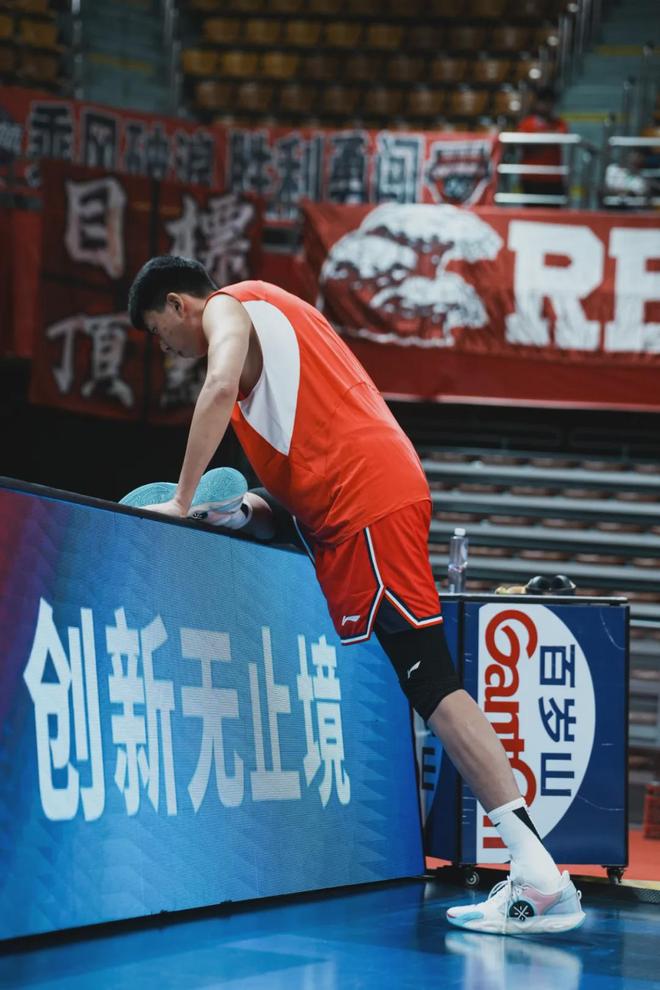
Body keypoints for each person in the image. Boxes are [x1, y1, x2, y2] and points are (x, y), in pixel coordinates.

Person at [127, 256, 585, 935]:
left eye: (157, 331)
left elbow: (217, 382)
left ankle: (539, 876)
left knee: (434, 683)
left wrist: (181, 499)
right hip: (366, 498)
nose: (163, 347)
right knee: (428, 680)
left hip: (368, 500)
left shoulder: (230, 306)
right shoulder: (273, 370)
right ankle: (537, 872)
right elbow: (294, 492)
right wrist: (241, 511)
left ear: (179, 303)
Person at [516, 86, 569, 204]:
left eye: (550, 102)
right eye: (543, 101)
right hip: (531, 178)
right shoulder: (526, 123)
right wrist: (549, 138)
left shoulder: (560, 123)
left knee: (554, 213)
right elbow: (524, 144)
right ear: (536, 103)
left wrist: (536, 139)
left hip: (554, 178)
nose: (547, 105)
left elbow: (561, 135)